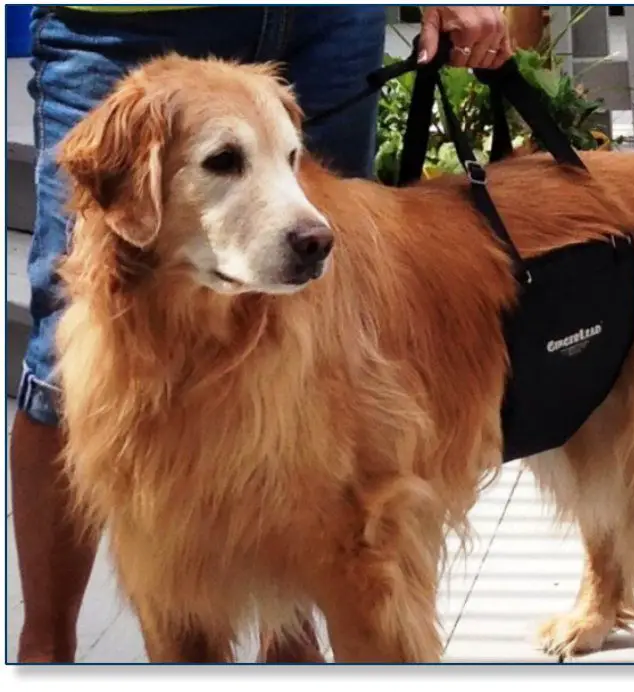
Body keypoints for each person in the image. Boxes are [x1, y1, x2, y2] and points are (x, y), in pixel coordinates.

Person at [10, 4, 510, 663]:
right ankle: (45, 653)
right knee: (60, 366)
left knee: (308, 347)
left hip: (325, 20)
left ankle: (292, 644)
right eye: (223, 164)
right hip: (122, 20)